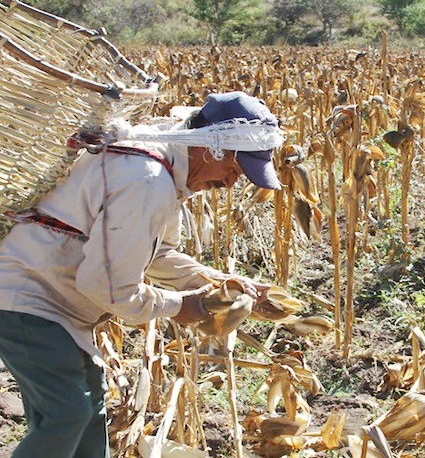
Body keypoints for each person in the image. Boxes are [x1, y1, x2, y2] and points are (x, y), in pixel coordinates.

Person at [0, 91, 282, 457]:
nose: (230, 183)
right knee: (66, 414)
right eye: (234, 169)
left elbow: (160, 253)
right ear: (212, 148)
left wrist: (219, 283)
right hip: (28, 298)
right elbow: (107, 287)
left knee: (86, 408)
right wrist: (179, 306)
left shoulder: (161, 169)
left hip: (52, 303)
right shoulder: (148, 182)